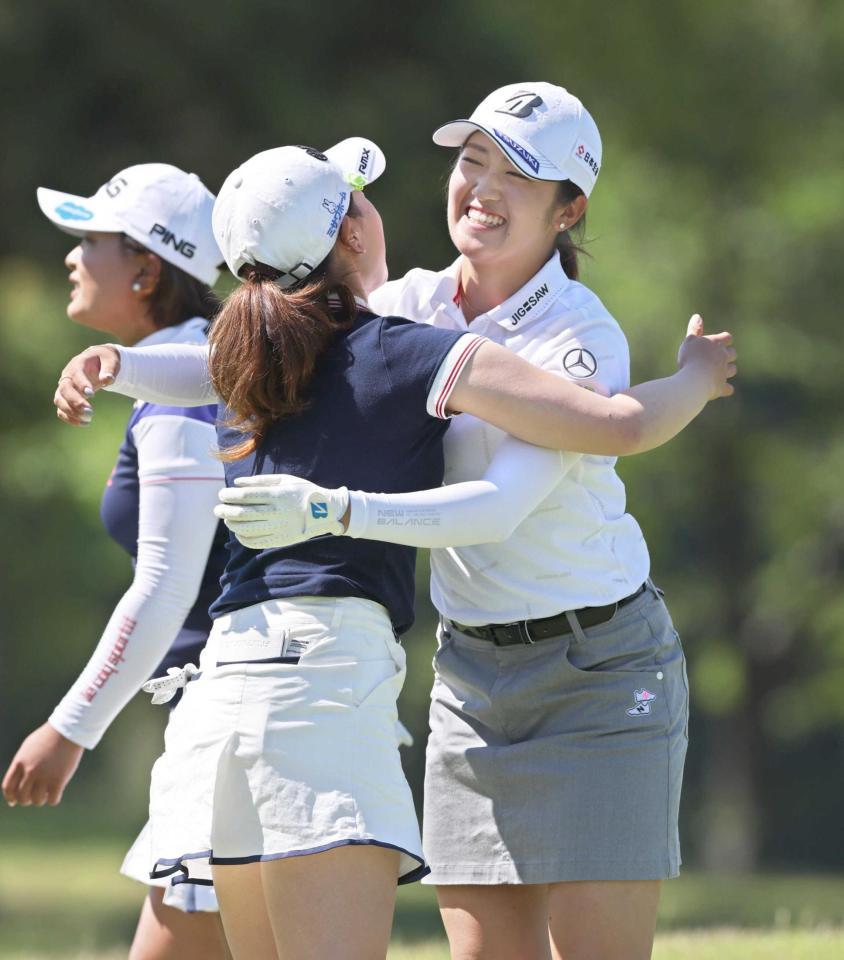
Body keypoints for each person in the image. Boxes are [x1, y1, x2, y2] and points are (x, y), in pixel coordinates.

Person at [52, 135, 734, 960]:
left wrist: (120, 363)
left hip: (225, 694)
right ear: (350, 235)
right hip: (323, 686)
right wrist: (697, 374)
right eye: (362, 201)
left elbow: (203, 369)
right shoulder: (409, 348)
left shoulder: (260, 349)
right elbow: (614, 425)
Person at [1, 164, 231, 960]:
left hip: (226, 719)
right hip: (229, 711)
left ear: (146, 268)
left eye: (90, 241)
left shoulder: (177, 385)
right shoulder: (186, 365)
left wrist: (70, 728)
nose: (71, 257)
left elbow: (166, 583)